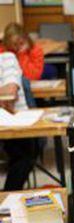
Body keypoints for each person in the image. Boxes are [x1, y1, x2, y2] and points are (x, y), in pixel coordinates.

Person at [0, 52, 40, 191]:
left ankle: (8, 195)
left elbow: (10, 92)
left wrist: (6, 96)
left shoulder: (7, 58)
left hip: (14, 123)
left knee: (25, 156)